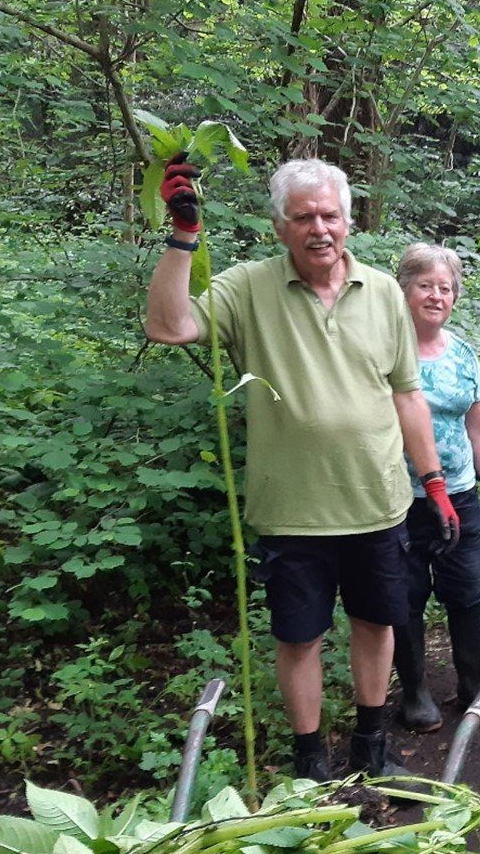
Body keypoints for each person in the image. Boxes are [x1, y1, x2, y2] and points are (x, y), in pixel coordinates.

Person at [143, 156, 460, 782]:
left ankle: (373, 744)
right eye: (303, 217)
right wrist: (183, 237)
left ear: (349, 221)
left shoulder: (385, 294)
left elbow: (407, 396)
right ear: (279, 226)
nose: (320, 229)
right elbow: (167, 325)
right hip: (291, 507)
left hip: (376, 499)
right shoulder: (247, 288)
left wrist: (434, 483)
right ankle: (310, 759)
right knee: (300, 637)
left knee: (377, 624)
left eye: (330, 215)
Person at [392, 243, 480, 730]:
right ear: (405, 290)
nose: (436, 295)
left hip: (460, 495)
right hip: (399, 499)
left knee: (469, 589)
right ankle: (416, 693)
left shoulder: (463, 353)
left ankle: (473, 685)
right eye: (425, 285)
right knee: (405, 595)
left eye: (445, 288)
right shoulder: (385, 349)